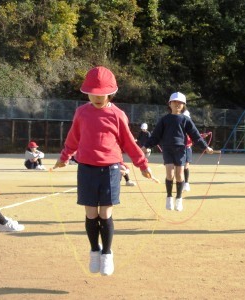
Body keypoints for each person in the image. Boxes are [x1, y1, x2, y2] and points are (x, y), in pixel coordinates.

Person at [53, 66, 152, 276]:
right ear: (87, 92)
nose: (98, 98)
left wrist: (142, 165)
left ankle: (107, 253)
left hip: (110, 169)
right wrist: (64, 158)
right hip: (86, 168)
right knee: (90, 213)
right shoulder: (81, 112)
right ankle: (94, 250)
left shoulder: (117, 114)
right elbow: (73, 139)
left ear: (111, 93)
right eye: (94, 94)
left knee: (105, 213)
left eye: (103, 94)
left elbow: (129, 143)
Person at [142, 92, 213, 212]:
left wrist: (206, 147)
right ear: (169, 104)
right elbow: (155, 136)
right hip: (167, 148)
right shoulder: (164, 119)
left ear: (184, 105)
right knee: (169, 173)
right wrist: (146, 146)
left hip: (181, 149)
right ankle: (169, 197)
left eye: (180, 102)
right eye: (174, 102)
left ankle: (179, 199)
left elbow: (195, 135)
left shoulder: (186, 119)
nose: (177, 104)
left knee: (179, 175)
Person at [182, 110, 211, 192]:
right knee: (179, 167)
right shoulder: (179, 126)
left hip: (187, 148)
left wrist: (202, 135)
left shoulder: (189, 126)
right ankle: (182, 183)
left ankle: (186, 183)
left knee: (186, 166)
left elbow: (195, 136)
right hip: (180, 148)